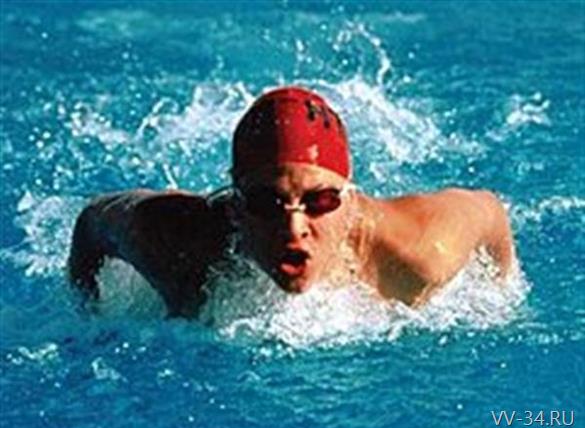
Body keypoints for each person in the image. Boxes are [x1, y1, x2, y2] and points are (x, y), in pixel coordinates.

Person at [68, 86, 515, 317]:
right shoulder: (175, 244)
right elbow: (91, 222)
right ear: (235, 204)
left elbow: (491, 213)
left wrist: (500, 294)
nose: (294, 227)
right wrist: (87, 311)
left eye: (320, 200)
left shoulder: (418, 253)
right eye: (266, 202)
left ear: (348, 197)